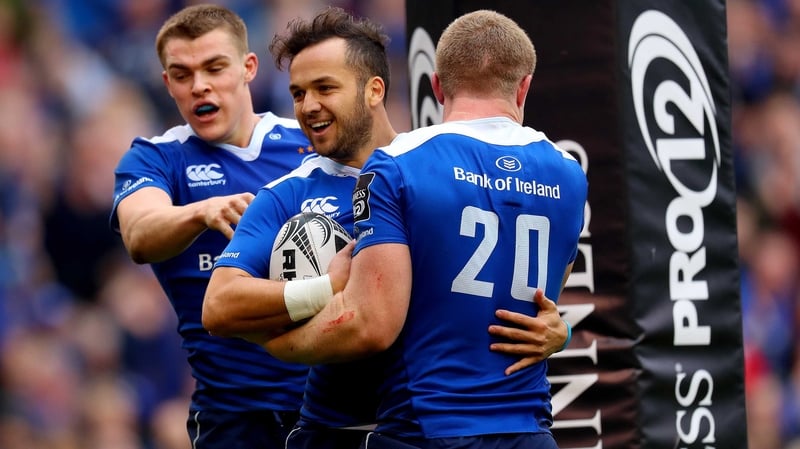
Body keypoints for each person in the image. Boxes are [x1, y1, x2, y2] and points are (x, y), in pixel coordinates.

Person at [202, 7, 573, 449]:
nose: (308, 106)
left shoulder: (423, 169)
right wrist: (322, 289)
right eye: (298, 93)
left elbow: (523, 291)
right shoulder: (287, 193)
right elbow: (220, 305)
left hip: (421, 426)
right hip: (338, 431)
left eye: (325, 88)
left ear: (374, 89)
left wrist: (558, 326)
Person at [109, 5, 316, 448]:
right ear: (168, 84)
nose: (199, 85)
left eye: (214, 67)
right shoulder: (156, 157)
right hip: (234, 415)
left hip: (331, 407)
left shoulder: (310, 142)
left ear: (248, 68)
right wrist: (201, 212)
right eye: (182, 74)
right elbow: (140, 235)